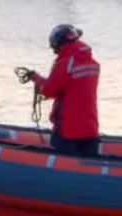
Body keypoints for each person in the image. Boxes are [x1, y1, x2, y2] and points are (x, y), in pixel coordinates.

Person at [25, 24, 101, 155]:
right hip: (90, 130)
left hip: (68, 132)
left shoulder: (65, 63)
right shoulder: (92, 63)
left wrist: (36, 79)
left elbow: (49, 91)